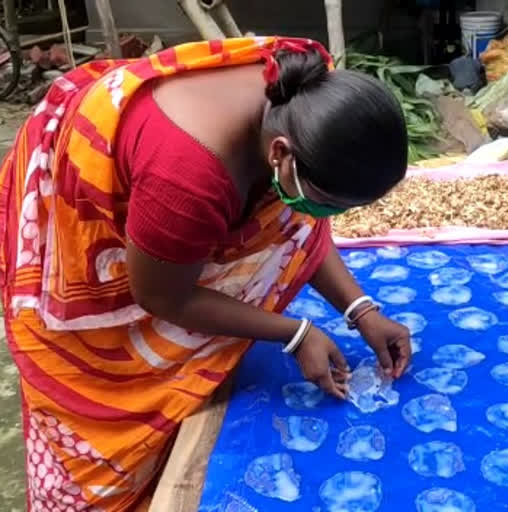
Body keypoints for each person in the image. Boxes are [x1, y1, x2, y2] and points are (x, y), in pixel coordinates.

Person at [0, 36, 412, 511]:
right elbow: (162, 296)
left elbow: (293, 228)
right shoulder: (188, 176)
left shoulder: (303, 96)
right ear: (280, 154)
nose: (323, 216)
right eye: (329, 203)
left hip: (169, 200)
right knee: (100, 433)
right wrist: (295, 333)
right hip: (86, 226)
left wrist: (360, 310)